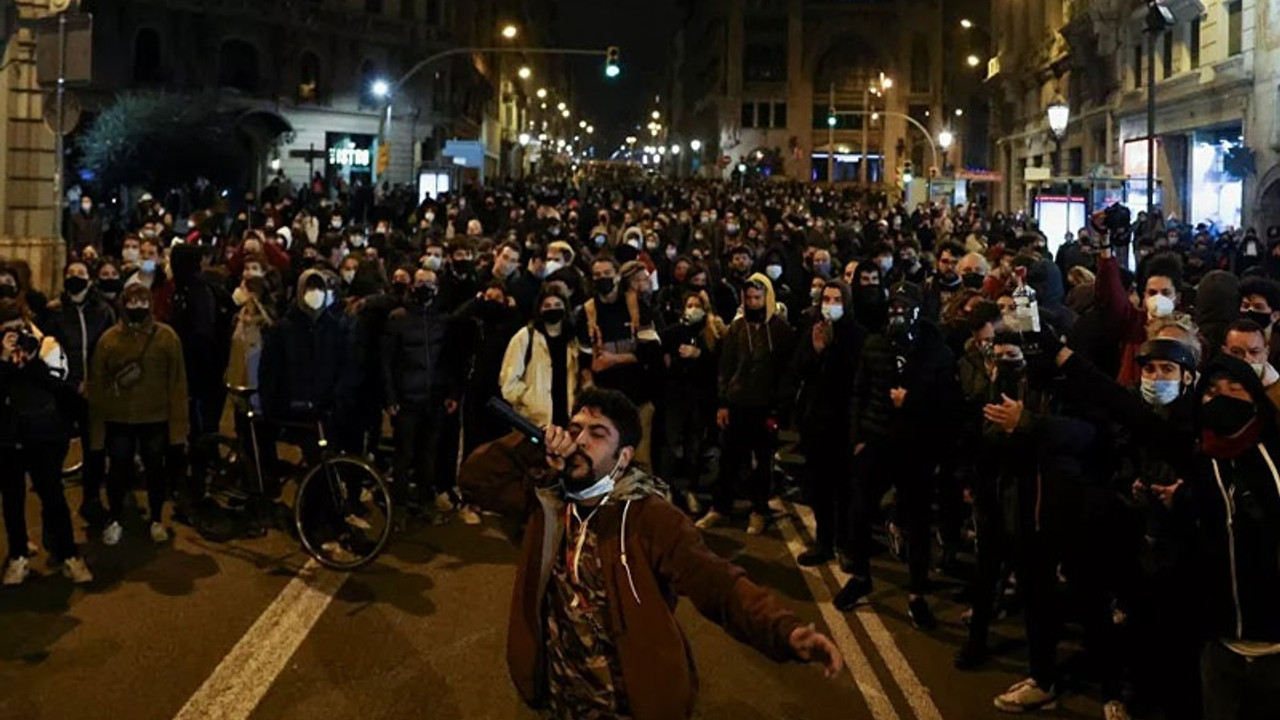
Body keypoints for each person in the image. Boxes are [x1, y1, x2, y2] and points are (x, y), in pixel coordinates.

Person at [458, 387, 842, 720]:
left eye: (597, 434)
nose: (579, 441)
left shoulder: (650, 517)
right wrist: (530, 445)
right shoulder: (546, 500)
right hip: (560, 699)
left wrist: (784, 630)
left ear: (623, 457)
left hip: (625, 707)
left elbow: (717, 582)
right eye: (574, 429)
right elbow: (474, 481)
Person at [836, 282, 958, 628]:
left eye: (904, 308)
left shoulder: (935, 351)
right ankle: (861, 576)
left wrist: (914, 401)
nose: (897, 314)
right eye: (893, 307)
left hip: (915, 448)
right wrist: (858, 438)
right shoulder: (874, 345)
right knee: (859, 513)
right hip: (876, 443)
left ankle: (917, 594)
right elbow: (859, 393)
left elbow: (948, 403)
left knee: (917, 523)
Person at [88, 283, 189, 546]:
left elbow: (177, 385)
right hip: (119, 418)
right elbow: (97, 385)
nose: (137, 307)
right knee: (118, 468)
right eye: (131, 301)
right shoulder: (109, 340)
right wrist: (97, 433)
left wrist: (178, 430)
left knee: (156, 469)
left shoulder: (167, 337)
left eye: (142, 301)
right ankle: (116, 518)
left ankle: (156, 517)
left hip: (155, 418)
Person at [0, 300, 92, 585]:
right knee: (12, 499)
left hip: (43, 432)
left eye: (20, 327)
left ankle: (69, 555)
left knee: (52, 495)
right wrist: (4, 358)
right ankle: (18, 555)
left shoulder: (47, 345)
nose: (16, 335)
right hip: (7, 435)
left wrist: (32, 362)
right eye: (8, 330)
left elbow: (61, 385)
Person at [697, 274, 796, 535]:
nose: (753, 303)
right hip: (738, 403)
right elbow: (726, 367)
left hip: (765, 407)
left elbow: (786, 373)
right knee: (729, 459)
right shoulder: (738, 328)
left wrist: (779, 407)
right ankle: (720, 508)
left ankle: (759, 510)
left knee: (762, 463)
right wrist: (723, 403)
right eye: (749, 298)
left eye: (758, 298)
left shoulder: (781, 331)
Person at [791, 279, 866, 565]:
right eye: (827, 299)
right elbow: (799, 369)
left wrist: (831, 351)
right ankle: (824, 541)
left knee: (845, 489)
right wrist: (816, 350)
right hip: (816, 422)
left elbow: (854, 378)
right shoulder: (813, 330)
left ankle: (846, 544)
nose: (830, 305)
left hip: (843, 423)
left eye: (836, 300)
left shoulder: (856, 335)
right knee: (820, 487)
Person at [381, 268, 461, 518]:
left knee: (428, 453)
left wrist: (452, 394)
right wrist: (390, 397)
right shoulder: (398, 318)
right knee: (404, 455)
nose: (424, 287)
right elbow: (386, 361)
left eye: (429, 282)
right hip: (406, 399)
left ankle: (426, 501)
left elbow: (451, 361)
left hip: (434, 399)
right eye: (420, 282)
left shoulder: (442, 320)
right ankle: (400, 505)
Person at [45, 261, 116, 523]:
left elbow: (111, 349)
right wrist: (72, 383)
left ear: (90, 279)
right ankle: (53, 508)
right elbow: (49, 353)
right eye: (71, 274)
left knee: (95, 448)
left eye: (81, 274)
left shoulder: (103, 311)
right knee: (55, 450)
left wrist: (97, 383)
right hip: (65, 393)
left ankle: (92, 500)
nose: (75, 278)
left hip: (95, 393)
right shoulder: (54, 312)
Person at [658, 289, 726, 514]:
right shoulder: (672, 333)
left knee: (693, 446)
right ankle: (666, 488)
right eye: (689, 305)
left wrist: (699, 356)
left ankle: (689, 490)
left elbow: (717, 366)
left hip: (699, 400)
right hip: (675, 398)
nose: (693, 309)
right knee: (670, 444)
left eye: (698, 305)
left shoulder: (711, 335)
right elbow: (666, 362)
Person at [500, 290, 580, 430]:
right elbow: (508, 381)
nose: (552, 309)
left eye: (557, 304)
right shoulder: (525, 337)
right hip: (533, 421)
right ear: (539, 309)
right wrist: (529, 399)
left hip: (567, 419)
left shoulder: (573, 340)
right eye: (547, 306)